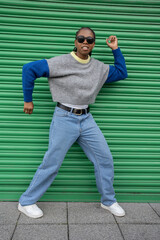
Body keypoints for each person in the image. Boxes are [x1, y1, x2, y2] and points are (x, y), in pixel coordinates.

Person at [18, 27, 128, 219]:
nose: (85, 42)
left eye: (90, 40)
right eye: (81, 38)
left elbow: (121, 73)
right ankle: (26, 202)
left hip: (86, 119)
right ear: (76, 42)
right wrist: (28, 99)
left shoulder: (99, 68)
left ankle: (108, 201)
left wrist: (115, 49)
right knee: (52, 163)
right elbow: (29, 69)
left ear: (93, 44)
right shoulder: (61, 62)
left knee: (104, 159)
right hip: (64, 117)